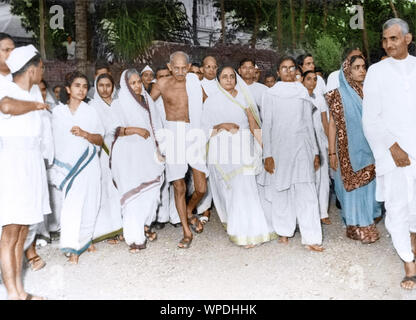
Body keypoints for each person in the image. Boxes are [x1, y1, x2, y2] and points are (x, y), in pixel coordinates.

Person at [362, 18, 416, 290]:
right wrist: (392, 147)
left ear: (407, 39)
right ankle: (408, 263)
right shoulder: (377, 72)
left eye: (394, 38)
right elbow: (370, 117)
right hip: (392, 152)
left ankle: (413, 248)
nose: (388, 44)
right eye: (384, 39)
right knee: (396, 208)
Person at [0, 45, 52, 300]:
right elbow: (6, 107)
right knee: (10, 231)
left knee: (23, 230)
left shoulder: (34, 92)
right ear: (32, 69)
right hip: (12, 163)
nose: (43, 71)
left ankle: (19, 290)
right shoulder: (5, 87)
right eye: (41, 67)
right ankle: (12, 293)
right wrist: (35, 106)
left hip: (31, 162)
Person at [202, 66, 275, 248]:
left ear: (236, 79)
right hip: (222, 152)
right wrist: (222, 125)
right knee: (234, 189)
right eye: (224, 77)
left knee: (247, 187)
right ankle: (240, 230)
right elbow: (204, 131)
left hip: (244, 148)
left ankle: (253, 230)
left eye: (231, 77)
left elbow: (253, 125)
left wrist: (265, 148)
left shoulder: (244, 97)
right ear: (219, 80)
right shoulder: (211, 102)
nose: (228, 80)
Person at [260, 56, 324, 252]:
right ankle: (284, 231)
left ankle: (311, 237)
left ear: (296, 71)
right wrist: (267, 154)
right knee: (282, 190)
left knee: (306, 191)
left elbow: (308, 124)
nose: (287, 72)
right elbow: (267, 125)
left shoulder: (302, 92)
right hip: (279, 149)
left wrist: (315, 151)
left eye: (291, 68)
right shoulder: (270, 94)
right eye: (283, 68)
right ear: (278, 72)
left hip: (302, 147)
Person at [151, 51, 208, 249]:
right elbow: (147, 107)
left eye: (184, 68)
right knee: (179, 186)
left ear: (190, 66)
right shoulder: (162, 84)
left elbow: (207, 103)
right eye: (176, 68)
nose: (181, 72)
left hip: (193, 133)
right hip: (172, 133)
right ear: (169, 66)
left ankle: (190, 210)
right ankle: (186, 231)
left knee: (201, 188)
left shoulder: (194, 83)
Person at [50, 71, 104, 264]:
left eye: (84, 86)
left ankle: (86, 239)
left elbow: (100, 138)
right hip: (68, 168)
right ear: (68, 89)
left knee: (90, 203)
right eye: (77, 86)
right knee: (71, 207)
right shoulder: (58, 113)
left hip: (89, 164)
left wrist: (85, 134)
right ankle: (72, 247)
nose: (81, 89)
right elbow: (54, 140)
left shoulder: (91, 111)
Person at [326, 55, 382, 244]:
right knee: (351, 189)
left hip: (369, 149)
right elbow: (332, 124)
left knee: (369, 186)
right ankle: (357, 224)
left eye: (363, 67)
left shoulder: (371, 92)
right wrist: (331, 152)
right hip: (345, 151)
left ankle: (363, 222)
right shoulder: (337, 95)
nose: (362, 71)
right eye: (356, 67)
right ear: (347, 71)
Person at [111, 69, 164, 253]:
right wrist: (135, 130)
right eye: (132, 83)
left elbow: (157, 124)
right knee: (133, 196)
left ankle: (144, 225)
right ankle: (135, 238)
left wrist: (161, 148)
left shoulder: (148, 100)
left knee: (151, 191)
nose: (137, 86)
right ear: (125, 85)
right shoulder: (118, 104)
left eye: (138, 82)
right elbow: (113, 130)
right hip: (128, 155)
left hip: (149, 153)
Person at [90, 73, 123, 244]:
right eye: (101, 85)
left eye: (108, 85)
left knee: (121, 188)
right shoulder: (92, 106)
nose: (104, 89)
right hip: (103, 152)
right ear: (96, 86)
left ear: (113, 87)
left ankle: (122, 227)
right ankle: (108, 229)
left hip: (122, 150)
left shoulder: (119, 105)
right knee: (106, 189)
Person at [152, 66, 180, 230]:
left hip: (177, 141)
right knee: (161, 181)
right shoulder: (151, 100)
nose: (163, 79)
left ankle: (176, 216)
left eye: (166, 76)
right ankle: (161, 216)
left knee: (177, 180)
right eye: (160, 76)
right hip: (159, 143)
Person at [302, 70, 331, 225]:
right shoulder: (299, 97)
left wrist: (330, 143)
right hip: (305, 140)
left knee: (323, 177)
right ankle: (309, 213)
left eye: (315, 79)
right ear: (302, 81)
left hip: (319, 139)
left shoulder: (319, 99)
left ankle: (323, 212)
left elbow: (325, 123)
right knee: (308, 176)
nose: (312, 82)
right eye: (309, 79)